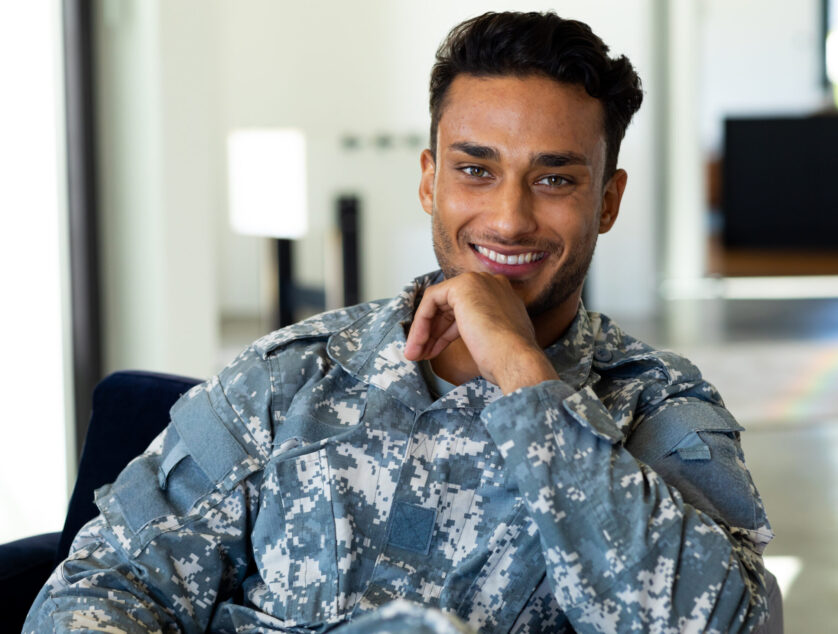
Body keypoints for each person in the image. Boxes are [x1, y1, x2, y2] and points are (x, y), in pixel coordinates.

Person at [25, 11, 776, 633]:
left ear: (606, 201)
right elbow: (99, 589)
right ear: (429, 179)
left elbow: (723, 626)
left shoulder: (660, 407)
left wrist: (524, 373)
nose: (509, 218)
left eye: (553, 179)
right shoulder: (289, 379)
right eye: (475, 169)